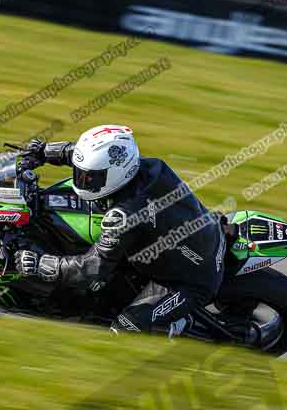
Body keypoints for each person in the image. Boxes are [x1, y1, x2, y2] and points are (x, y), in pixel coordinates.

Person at [13, 125, 225, 337]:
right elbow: (88, 157)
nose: (82, 180)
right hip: (201, 236)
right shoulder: (150, 168)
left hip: (189, 280)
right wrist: (44, 151)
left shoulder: (125, 214)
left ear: (114, 175)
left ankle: (178, 324)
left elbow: (92, 269)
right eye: (80, 173)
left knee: (124, 330)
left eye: (89, 177)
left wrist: (42, 264)